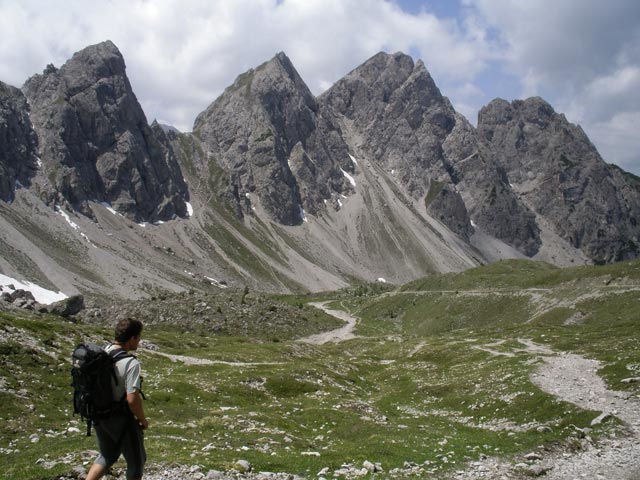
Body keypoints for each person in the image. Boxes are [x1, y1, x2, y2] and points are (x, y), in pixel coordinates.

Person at [86, 318, 148, 480]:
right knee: (136, 461)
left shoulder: (103, 351)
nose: (139, 341)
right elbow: (132, 400)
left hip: (98, 414)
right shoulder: (130, 363)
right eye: (139, 337)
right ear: (132, 338)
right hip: (120, 418)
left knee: (108, 454)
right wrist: (142, 420)